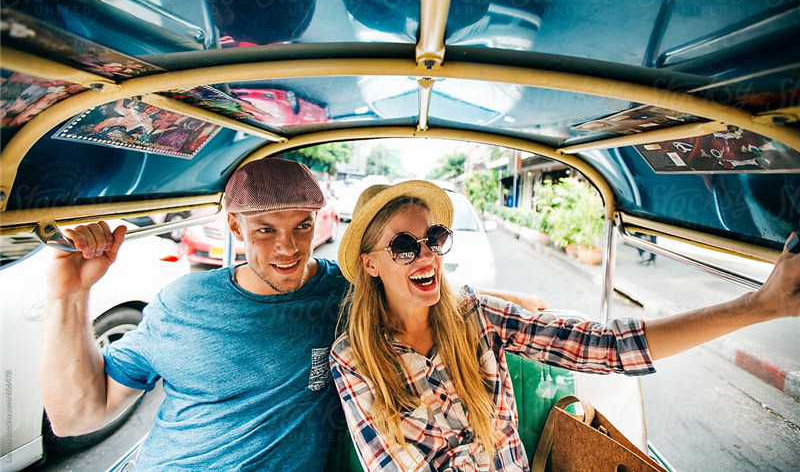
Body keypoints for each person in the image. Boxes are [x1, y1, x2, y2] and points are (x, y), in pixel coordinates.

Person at [329, 180, 800, 471]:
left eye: (434, 238)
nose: (428, 253)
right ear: (371, 264)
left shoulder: (479, 316)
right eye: (406, 246)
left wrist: (758, 305)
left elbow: (608, 347)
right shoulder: (354, 359)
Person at [40, 157, 348, 470]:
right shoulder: (184, 301)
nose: (288, 248)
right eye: (266, 229)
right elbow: (77, 418)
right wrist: (69, 296)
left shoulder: (345, 290)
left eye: (303, 226)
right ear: (234, 226)